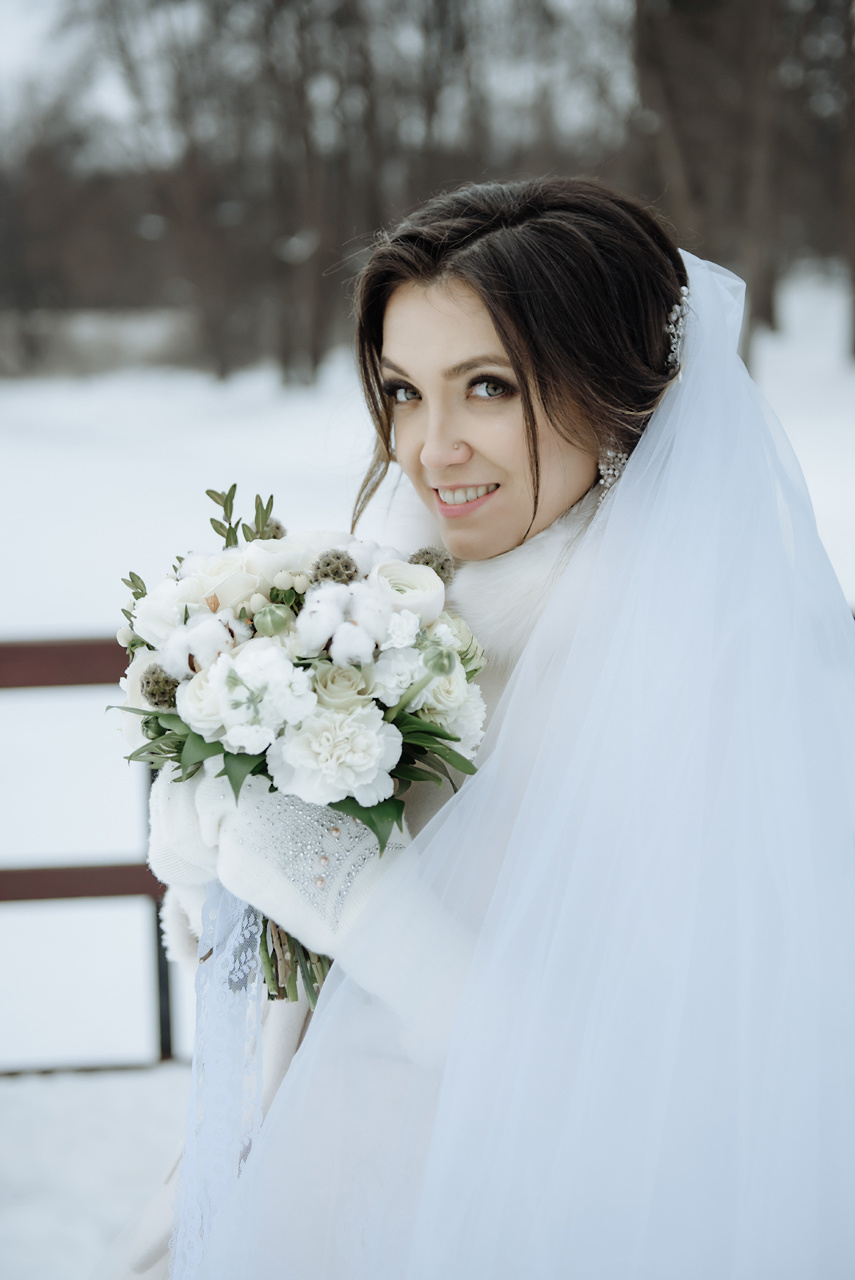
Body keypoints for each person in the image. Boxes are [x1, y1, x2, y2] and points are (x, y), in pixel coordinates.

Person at [107, 178, 855, 1278]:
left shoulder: (706, 682)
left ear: (617, 390)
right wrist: (230, 875)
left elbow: (639, 1104)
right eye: (404, 392)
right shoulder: (390, 613)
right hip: (311, 1186)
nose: (430, 448)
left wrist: (355, 900)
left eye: (488, 387)